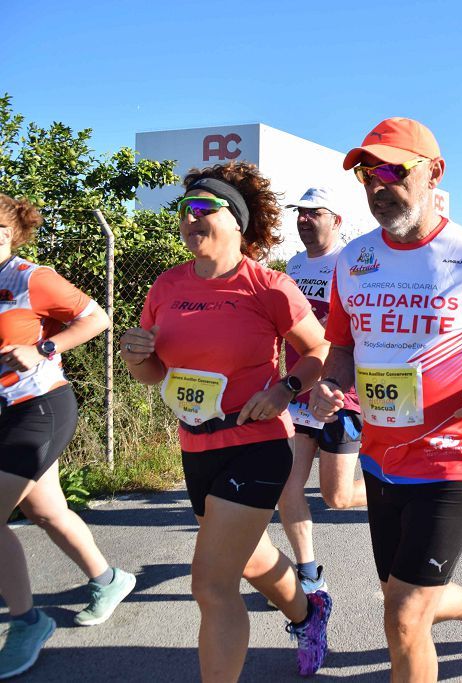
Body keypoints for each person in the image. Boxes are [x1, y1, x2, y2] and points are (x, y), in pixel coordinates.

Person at [309, 117, 462, 680]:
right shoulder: (354, 260)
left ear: (434, 173)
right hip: (381, 458)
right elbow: (341, 349)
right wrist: (328, 384)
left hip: (455, 459)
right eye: (367, 172)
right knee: (405, 597)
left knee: (405, 615)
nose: (377, 184)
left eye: (393, 169)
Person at [120, 162, 333, 680]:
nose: (190, 219)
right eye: (184, 211)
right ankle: (309, 611)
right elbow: (152, 373)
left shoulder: (268, 286)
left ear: (236, 222)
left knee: (211, 585)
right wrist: (134, 356)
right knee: (252, 559)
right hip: (195, 445)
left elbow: (319, 351)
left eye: (203, 209)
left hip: (256, 443)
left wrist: (284, 390)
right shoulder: (166, 286)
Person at [0, 194, 135, 678]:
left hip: (39, 407)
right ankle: (109, 578)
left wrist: (43, 348)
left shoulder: (29, 276)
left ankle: (26, 620)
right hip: (4, 412)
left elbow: (96, 317)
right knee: (45, 510)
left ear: (11, 232)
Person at [276, 187, 365, 599]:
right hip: (297, 390)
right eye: (300, 213)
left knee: (338, 496)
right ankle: (308, 571)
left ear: (337, 221)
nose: (304, 220)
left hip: (339, 394)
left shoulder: (352, 263)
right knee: (287, 487)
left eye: (315, 213)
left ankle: (398, 494)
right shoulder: (293, 265)